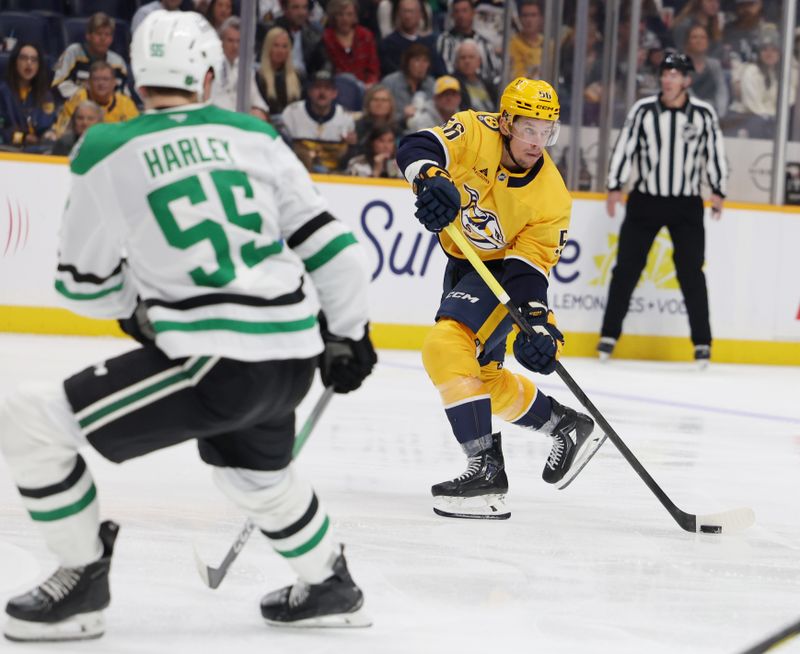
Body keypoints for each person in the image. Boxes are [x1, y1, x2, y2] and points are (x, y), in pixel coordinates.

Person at [0, 9, 376, 641]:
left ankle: (81, 579)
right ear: (209, 76)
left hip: (217, 362)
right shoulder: (256, 135)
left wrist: (139, 313)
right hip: (291, 356)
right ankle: (330, 583)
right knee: (255, 475)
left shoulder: (107, 144)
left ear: (137, 78)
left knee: (30, 420)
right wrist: (349, 335)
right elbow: (335, 250)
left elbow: (80, 285)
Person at [395, 77, 603, 520]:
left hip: (500, 274)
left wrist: (537, 321)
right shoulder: (474, 131)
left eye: (547, 132)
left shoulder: (552, 197)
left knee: (445, 346)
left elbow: (529, 270)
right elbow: (416, 145)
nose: (537, 142)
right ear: (506, 122)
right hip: (463, 263)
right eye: (529, 129)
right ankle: (564, 424)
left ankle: (486, 471)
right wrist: (430, 177)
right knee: (483, 376)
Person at [599, 53, 727, 368]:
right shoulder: (643, 110)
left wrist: (718, 189)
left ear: (687, 80)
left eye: (675, 74)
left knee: (691, 272)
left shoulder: (703, 113)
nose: (668, 79)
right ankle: (608, 335)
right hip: (646, 200)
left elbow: (714, 151)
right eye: (665, 73)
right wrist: (615, 185)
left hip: (686, 203)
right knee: (626, 268)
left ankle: (702, 343)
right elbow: (625, 147)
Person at [281, 68, 356, 173]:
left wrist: (351, 146)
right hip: (298, 172)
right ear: (310, 92)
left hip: (335, 176)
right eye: (317, 87)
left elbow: (346, 160)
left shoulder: (345, 116)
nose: (322, 92)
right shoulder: (292, 112)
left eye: (327, 88)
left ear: (334, 93)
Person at [52, 12, 129, 102]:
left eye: (107, 34)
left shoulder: (118, 62)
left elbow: (124, 94)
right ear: (88, 36)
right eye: (99, 34)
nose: (103, 39)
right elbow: (57, 84)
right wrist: (89, 95)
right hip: (77, 106)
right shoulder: (73, 52)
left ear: (111, 38)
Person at [52, 61, 139, 138]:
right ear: (88, 83)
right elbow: (60, 131)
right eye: (96, 79)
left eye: (105, 79)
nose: (101, 83)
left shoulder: (126, 103)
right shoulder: (77, 99)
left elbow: (135, 133)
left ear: (114, 83)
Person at [210, 16, 270, 120]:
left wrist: (260, 111)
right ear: (220, 41)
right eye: (230, 41)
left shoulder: (245, 67)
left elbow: (256, 99)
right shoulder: (210, 66)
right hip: (219, 120)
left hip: (241, 121)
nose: (235, 46)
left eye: (238, 41)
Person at [0, 42, 57, 151]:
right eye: (24, 58)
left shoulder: (46, 95)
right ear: (15, 62)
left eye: (34, 60)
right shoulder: (2, 92)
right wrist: (23, 137)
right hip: (8, 150)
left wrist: (49, 134)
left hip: (40, 150)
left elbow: (49, 124)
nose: (29, 63)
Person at [310, 0, 380, 86]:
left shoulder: (366, 36)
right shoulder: (326, 38)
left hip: (365, 87)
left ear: (355, 16)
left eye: (349, 14)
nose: (345, 19)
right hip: (336, 88)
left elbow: (373, 69)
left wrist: (369, 84)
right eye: (340, 14)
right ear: (333, 17)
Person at [255, 26, 303, 119]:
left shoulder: (298, 76)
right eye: (276, 45)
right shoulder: (258, 77)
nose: (280, 51)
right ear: (268, 47)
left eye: (284, 46)